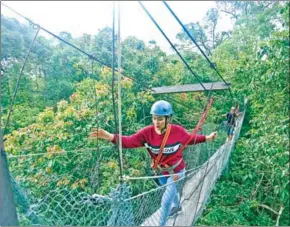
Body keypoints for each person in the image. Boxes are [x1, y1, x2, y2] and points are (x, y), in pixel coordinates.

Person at [89, 100, 217, 226]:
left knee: (166, 200)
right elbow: (129, 141)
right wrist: (110, 137)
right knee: (170, 192)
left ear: (168, 119)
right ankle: (177, 206)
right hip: (161, 173)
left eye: (160, 119)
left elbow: (190, 139)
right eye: (154, 118)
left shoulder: (177, 131)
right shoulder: (147, 133)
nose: (157, 122)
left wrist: (207, 138)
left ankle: (161, 224)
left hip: (177, 171)